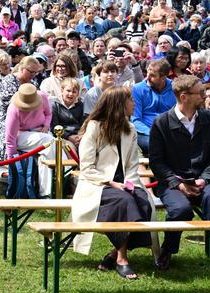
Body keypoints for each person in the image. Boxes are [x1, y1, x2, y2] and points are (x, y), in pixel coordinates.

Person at [71, 86, 157, 280]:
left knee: (142, 200)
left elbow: (132, 165)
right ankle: (122, 259)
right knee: (124, 201)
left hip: (124, 183)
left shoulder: (130, 129)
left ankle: (113, 253)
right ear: (119, 104)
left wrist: (131, 185)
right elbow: (86, 168)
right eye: (130, 100)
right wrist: (111, 183)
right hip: (96, 185)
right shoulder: (94, 127)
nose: (134, 103)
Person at [148, 75, 210, 270]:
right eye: (200, 92)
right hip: (172, 183)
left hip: (204, 182)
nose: (205, 95)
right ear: (184, 97)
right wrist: (179, 184)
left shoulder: (208, 119)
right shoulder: (162, 122)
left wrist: (204, 179)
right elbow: (156, 162)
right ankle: (168, 249)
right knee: (180, 209)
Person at [0, 56, 45, 164]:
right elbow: (10, 103)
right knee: (4, 140)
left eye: (35, 72)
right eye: (31, 72)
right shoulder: (8, 81)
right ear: (21, 68)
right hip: (4, 118)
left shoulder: (33, 84)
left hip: (27, 120)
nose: (33, 75)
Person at [4, 83, 57, 196]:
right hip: (22, 135)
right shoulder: (13, 109)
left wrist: (46, 126)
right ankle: (64, 171)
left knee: (45, 155)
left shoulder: (42, 97)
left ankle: (46, 194)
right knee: (50, 141)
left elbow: (48, 114)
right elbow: (10, 138)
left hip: (42, 131)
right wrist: (12, 161)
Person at [131, 59, 176, 154]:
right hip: (146, 133)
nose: (147, 77)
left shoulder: (175, 88)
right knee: (156, 145)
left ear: (163, 77)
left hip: (169, 131)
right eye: (147, 73)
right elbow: (135, 119)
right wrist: (153, 133)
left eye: (152, 75)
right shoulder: (138, 89)